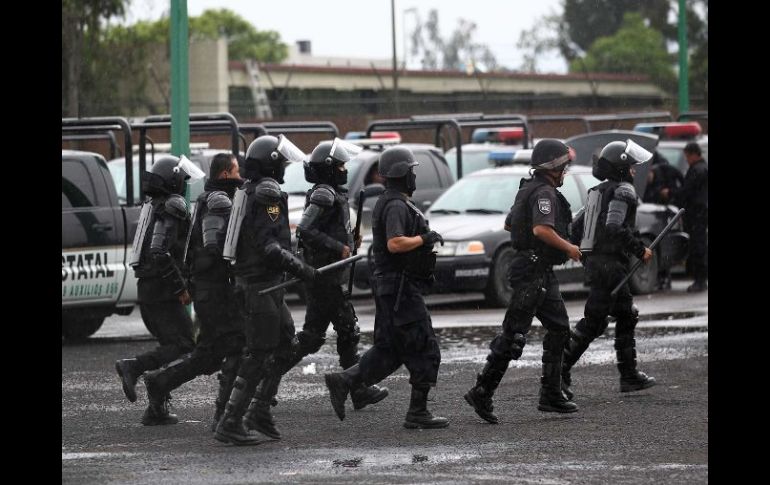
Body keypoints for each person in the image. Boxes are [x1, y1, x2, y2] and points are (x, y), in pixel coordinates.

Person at [242, 139, 389, 439]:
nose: (345, 169)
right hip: (323, 275)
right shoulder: (323, 192)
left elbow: (326, 230)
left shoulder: (332, 193)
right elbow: (306, 229)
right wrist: (338, 246)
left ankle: (268, 381)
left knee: (311, 339)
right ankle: (354, 387)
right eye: (341, 165)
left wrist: (348, 243)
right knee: (346, 329)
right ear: (329, 168)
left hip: (328, 274)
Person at [324, 145, 448, 429]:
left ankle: (345, 380)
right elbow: (395, 243)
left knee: (390, 350)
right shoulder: (394, 205)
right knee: (424, 346)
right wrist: (424, 239)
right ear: (403, 173)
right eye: (412, 171)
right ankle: (418, 413)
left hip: (392, 288)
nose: (414, 176)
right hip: (400, 290)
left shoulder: (394, 202)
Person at [463, 139, 581, 424]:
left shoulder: (527, 188)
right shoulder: (542, 192)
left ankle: (551, 394)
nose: (565, 170)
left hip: (540, 271)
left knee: (560, 328)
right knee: (514, 335)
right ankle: (482, 391)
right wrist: (569, 248)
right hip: (531, 270)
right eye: (563, 165)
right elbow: (541, 229)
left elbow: (509, 224)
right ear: (553, 165)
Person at [214, 135, 320, 445]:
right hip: (260, 287)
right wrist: (303, 270)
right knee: (258, 354)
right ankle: (231, 421)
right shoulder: (267, 195)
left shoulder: (249, 191)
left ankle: (259, 409)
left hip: (262, 286)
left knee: (287, 344)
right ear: (272, 163)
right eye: (282, 161)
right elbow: (268, 245)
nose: (286, 165)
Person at [141, 153, 246, 428]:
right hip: (213, 290)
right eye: (236, 170)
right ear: (225, 174)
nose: (240, 174)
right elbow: (215, 248)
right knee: (237, 343)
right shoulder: (215, 200)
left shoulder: (206, 199)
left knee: (208, 354)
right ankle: (225, 415)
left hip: (207, 289)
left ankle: (159, 382)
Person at [562, 139, 656, 402]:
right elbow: (614, 226)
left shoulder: (596, 192)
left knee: (626, 314)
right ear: (621, 168)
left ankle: (629, 375)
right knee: (594, 322)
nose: (635, 171)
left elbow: (575, 228)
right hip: (611, 267)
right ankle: (559, 370)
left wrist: (588, 259)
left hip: (600, 266)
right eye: (632, 167)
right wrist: (639, 249)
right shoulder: (624, 191)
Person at [115, 155, 200, 424]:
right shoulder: (172, 205)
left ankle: (156, 410)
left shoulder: (153, 205)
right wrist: (180, 288)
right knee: (185, 344)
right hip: (162, 289)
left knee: (171, 345)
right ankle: (134, 367)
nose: (184, 185)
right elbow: (160, 252)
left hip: (149, 287)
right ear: (173, 179)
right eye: (182, 179)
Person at [666, 142, 708, 292]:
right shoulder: (702, 168)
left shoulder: (697, 170)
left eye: (687, 156)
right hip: (700, 213)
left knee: (698, 246)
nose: (686, 159)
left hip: (697, 213)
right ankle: (700, 279)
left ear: (694, 154)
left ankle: (700, 280)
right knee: (699, 245)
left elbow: (686, 191)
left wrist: (670, 193)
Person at [642, 151, 684, 290]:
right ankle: (663, 278)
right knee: (659, 246)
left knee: (663, 245)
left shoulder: (664, 173)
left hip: (663, 215)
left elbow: (680, 182)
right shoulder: (648, 184)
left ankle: (665, 278)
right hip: (656, 216)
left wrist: (669, 194)